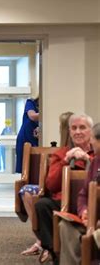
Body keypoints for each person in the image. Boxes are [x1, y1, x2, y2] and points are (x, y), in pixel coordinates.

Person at [34, 113, 94, 263]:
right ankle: (55, 252)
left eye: (82, 127)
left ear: (91, 131)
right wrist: (66, 160)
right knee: (42, 205)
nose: (78, 132)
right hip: (64, 203)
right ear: (69, 131)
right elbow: (51, 185)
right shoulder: (61, 154)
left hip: (91, 203)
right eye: (74, 128)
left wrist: (88, 160)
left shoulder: (97, 152)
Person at [19, 111, 73, 256]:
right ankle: (41, 239)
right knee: (30, 193)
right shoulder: (61, 153)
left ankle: (44, 241)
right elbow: (51, 182)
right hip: (57, 193)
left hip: (75, 195)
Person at [58, 122, 100, 265]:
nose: (91, 142)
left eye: (93, 138)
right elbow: (83, 193)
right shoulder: (95, 162)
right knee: (65, 226)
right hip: (90, 218)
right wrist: (84, 211)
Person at [15, 97, 40, 173]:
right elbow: (32, 116)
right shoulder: (31, 102)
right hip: (25, 138)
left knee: (34, 167)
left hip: (34, 139)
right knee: (25, 167)